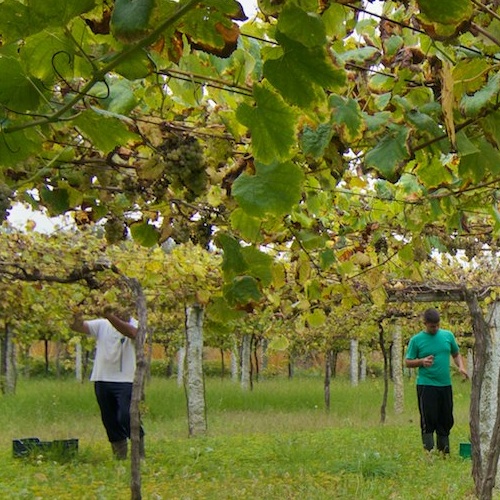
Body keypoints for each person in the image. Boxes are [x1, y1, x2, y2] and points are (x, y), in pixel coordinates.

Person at [70, 305, 144, 460]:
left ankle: (139, 453)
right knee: (109, 419)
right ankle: (120, 455)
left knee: (126, 416)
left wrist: (110, 316)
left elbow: (132, 333)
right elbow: (78, 327)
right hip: (102, 378)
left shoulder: (137, 324)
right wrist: (76, 312)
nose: (118, 311)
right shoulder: (102, 324)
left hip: (126, 380)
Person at [405, 308, 468, 454]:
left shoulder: (448, 336)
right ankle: (429, 452)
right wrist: (421, 361)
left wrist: (461, 366)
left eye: (437, 325)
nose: (435, 328)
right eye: (432, 326)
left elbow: (456, 353)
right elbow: (408, 361)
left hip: (445, 384)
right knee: (429, 418)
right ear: (425, 324)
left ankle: (444, 451)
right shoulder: (416, 340)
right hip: (426, 385)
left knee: (445, 418)